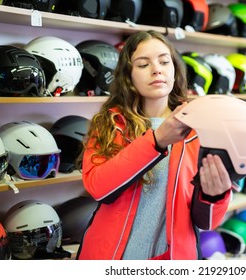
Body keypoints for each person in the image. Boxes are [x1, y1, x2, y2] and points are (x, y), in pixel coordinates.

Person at [76, 30, 233, 260]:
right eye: (143, 64)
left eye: (164, 61)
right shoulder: (110, 123)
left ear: (174, 69)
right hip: (110, 256)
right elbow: (99, 188)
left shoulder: (199, 128)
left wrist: (215, 196)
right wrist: (157, 140)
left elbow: (205, 222)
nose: (156, 69)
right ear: (128, 76)